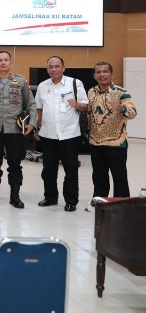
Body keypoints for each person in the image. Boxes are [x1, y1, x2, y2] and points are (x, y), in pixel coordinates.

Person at [0, 51, 37, 208]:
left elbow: (31, 104)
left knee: (15, 164)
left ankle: (15, 196)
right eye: (0, 60)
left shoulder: (21, 81)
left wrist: (32, 123)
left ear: (11, 62)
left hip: (15, 129)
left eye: (6, 60)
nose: (3, 62)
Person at [34, 56, 89, 212]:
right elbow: (39, 108)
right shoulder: (42, 86)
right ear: (47, 69)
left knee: (71, 169)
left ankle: (71, 200)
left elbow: (85, 106)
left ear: (63, 68)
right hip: (48, 134)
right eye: (51, 67)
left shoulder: (75, 83)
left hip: (70, 134)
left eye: (57, 66)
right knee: (48, 170)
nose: (54, 69)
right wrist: (38, 127)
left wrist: (76, 104)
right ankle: (50, 197)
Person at [87, 61, 137, 198]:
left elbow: (133, 113)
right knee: (99, 177)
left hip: (116, 143)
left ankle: (121, 204)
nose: (102, 74)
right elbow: (90, 113)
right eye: (98, 72)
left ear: (111, 74)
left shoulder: (121, 93)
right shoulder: (91, 92)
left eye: (105, 71)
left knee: (119, 178)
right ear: (94, 76)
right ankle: (99, 202)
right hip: (95, 142)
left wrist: (121, 108)